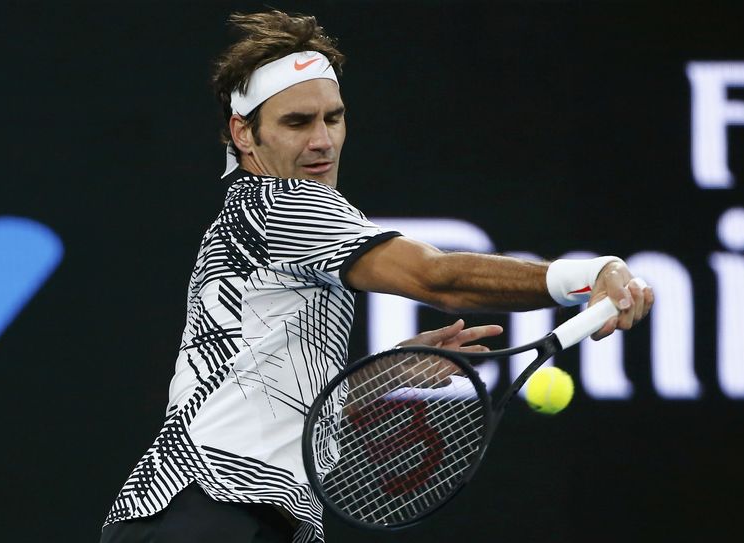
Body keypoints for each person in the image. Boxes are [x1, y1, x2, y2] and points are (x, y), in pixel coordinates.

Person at [100, 10, 653, 543]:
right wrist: (589, 274)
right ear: (244, 134)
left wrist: (386, 376)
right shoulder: (282, 204)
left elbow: (255, 389)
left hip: (212, 514)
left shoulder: (253, 215)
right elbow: (439, 279)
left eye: (332, 117)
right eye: (297, 122)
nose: (322, 140)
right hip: (211, 510)